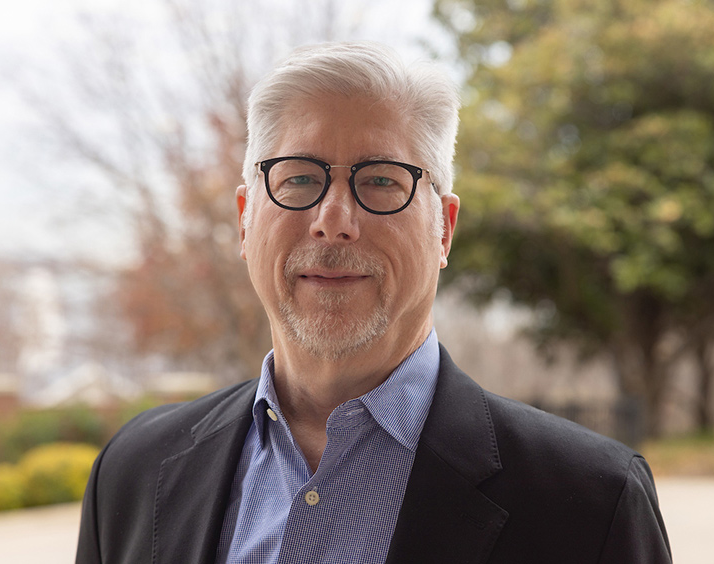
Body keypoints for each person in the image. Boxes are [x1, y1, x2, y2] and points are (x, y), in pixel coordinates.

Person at [75, 41, 671, 564]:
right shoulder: (131, 473)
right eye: (299, 178)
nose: (333, 222)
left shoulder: (592, 502)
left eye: (382, 179)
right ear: (244, 221)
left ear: (444, 230)